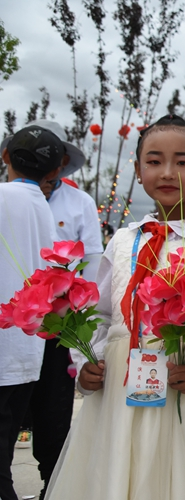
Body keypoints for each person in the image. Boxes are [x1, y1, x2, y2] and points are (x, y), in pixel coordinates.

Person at [45, 115, 185, 500]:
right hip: (120, 392)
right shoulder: (123, 241)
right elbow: (101, 314)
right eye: (154, 161)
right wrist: (88, 360)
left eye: (183, 162)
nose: (168, 172)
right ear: (138, 172)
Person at [6, 119, 105, 500]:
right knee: (10, 413)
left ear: (62, 161)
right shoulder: (8, 197)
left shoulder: (80, 203)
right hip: (13, 325)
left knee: (53, 417)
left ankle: (55, 486)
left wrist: (81, 319)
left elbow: (92, 262)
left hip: (59, 329)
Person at [0, 126, 61, 500]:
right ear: (54, 172)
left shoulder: (4, 196)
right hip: (27, 347)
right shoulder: (43, 208)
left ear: (5, 155)